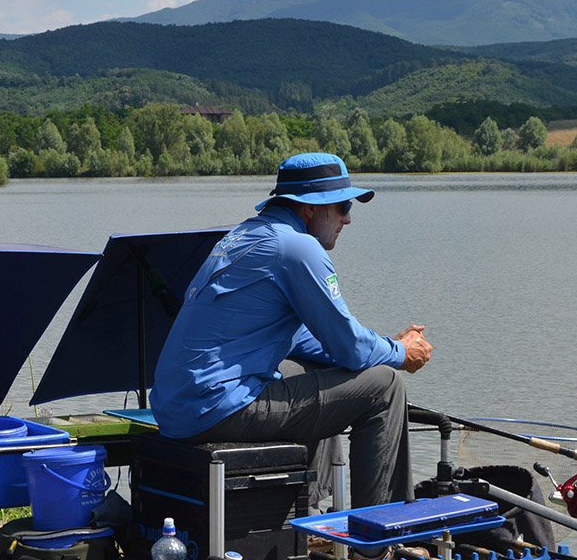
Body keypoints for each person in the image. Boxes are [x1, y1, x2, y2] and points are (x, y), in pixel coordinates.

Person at [150, 152, 433, 508]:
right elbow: (350, 347)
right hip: (216, 407)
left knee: (331, 371)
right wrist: (400, 352)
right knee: (384, 386)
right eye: (342, 206)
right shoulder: (297, 248)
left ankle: (305, 510)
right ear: (310, 208)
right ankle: (377, 536)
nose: (348, 219)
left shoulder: (245, 235)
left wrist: (382, 346)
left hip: (180, 407)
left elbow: (303, 340)